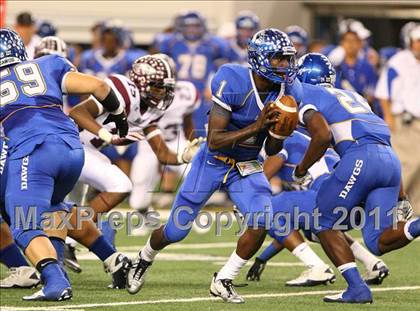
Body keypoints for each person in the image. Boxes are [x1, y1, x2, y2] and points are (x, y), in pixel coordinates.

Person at [126, 28, 301, 304]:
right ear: (259, 58)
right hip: (212, 160)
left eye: (286, 59)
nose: (284, 65)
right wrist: (257, 126)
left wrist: (279, 133)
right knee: (176, 230)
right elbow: (215, 140)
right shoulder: (232, 79)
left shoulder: (290, 90)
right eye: (278, 59)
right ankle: (144, 257)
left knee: (262, 219)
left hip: (246, 163)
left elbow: (272, 149)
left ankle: (224, 279)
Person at [0, 28, 127, 301]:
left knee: (25, 224)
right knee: (54, 208)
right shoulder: (50, 63)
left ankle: (54, 281)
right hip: (72, 149)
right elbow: (100, 87)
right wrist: (118, 114)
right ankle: (102, 257)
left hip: (32, 149)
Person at [293, 52, 420, 303]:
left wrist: (301, 169)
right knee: (376, 242)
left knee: (321, 222)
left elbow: (322, 136)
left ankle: (357, 289)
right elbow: (381, 141)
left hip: (361, 157)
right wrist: (402, 194)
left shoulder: (307, 93)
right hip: (389, 161)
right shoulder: (355, 96)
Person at [68, 54, 204, 245]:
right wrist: (109, 137)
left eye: (166, 88)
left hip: (86, 151)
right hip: (69, 143)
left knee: (66, 205)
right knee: (120, 185)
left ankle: (66, 243)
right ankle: (71, 239)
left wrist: (186, 155)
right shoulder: (122, 90)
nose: (163, 93)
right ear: (141, 82)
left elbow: (163, 154)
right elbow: (77, 112)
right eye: (158, 87)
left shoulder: (151, 111)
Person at [247, 131, 391, 286]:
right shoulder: (302, 140)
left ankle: (317, 268)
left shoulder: (279, 140)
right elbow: (289, 227)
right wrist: (262, 258)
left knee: (264, 209)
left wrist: (247, 196)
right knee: (314, 230)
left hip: (333, 193)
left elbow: (265, 176)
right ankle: (373, 264)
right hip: (354, 200)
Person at [128, 79, 199, 225]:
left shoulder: (186, 92)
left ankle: (192, 215)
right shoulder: (136, 94)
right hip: (148, 144)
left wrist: (192, 142)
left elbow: (188, 120)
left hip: (175, 141)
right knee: (138, 197)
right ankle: (147, 218)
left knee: (195, 174)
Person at [156, 10, 232, 135]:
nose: (192, 30)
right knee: (177, 123)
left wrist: (213, 85)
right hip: (178, 89)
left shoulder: (214, 45)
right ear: (182, 27)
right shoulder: (171, 43)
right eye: (188, 26)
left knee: (201, 125)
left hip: (202, 89)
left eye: (195, 26)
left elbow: (220, 67)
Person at [375, 25, 420, 215]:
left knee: (418, 166)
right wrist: (388, 117)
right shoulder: (399, 61)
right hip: (404, 121)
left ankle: (415, 209)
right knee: (406, 165)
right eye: (418, 41)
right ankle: (392, 206)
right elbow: (383, 92)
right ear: (410, 42)